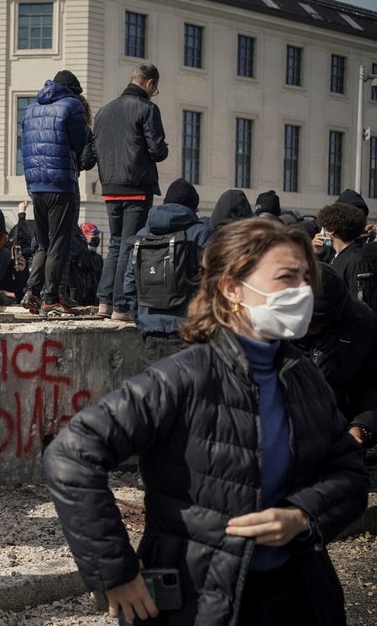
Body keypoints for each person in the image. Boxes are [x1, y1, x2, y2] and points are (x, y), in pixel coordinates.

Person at [45, 218, 368, 626]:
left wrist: (303, 516)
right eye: (287, 277)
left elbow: (349, 474)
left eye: (307, 278)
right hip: (197, 601)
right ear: (232, 288)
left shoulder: (306, 379)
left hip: (297, 594)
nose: (302, 292)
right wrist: (114, 574)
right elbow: (71, 455)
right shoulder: (182, 377)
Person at [84, 64, 168, 321]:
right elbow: (157, 151)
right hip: (136, 185)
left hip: (110, 187)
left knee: (115, 244)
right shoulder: (148, 109)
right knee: (130, 246)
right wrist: (165, 147)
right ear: (150, 84)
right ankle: (121, 307)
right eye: (156, 88)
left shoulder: (104, 111)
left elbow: (95, 150)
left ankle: (104, 302)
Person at [19, 70, 87, 316]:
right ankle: (51, 298)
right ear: (72, 90)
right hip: (61, 184)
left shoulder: (31, 108)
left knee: (43, 244)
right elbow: (80, 142)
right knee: (59, 242)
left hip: (36, 185)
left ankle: (32, 292)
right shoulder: (72, 105)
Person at [123, 178, 212, 365]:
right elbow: (212, 282)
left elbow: (129, 283)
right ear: (192, 208)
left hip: (150, 335)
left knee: (155, 392)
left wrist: (142, 320)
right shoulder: (200, 233)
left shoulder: (142, 235)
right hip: (186, 333)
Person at [295, 264, 377, 449]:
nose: (313, 330)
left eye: (321, 323)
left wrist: (362, 426)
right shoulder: (264, 325)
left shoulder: (362, 323)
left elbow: (370, 382)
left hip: (335, 438)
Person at [315, 203, 372, 302]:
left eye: (324, 226)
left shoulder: (357, 260)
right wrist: (317, 254)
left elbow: (361, 302)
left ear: (331, 230)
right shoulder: (336, 256)